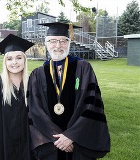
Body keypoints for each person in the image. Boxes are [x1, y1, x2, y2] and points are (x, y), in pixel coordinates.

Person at [27, 22, 111, 160]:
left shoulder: (83, 68)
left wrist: (71, 136)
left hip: (78, 142)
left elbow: (90, 104)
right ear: (46, 44)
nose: (58, 46)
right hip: (51, 143)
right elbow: (35, 110)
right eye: (53, 41)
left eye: (63, 41)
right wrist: (58, 139)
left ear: (69, 43)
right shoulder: (38, 74)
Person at [0, 34, 34, 160]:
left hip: (28, 145)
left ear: (24, 60)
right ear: (5, 62)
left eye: (19, 58)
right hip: (2, 144)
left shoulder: (32, 83)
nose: (14, 62)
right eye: (9, 59)